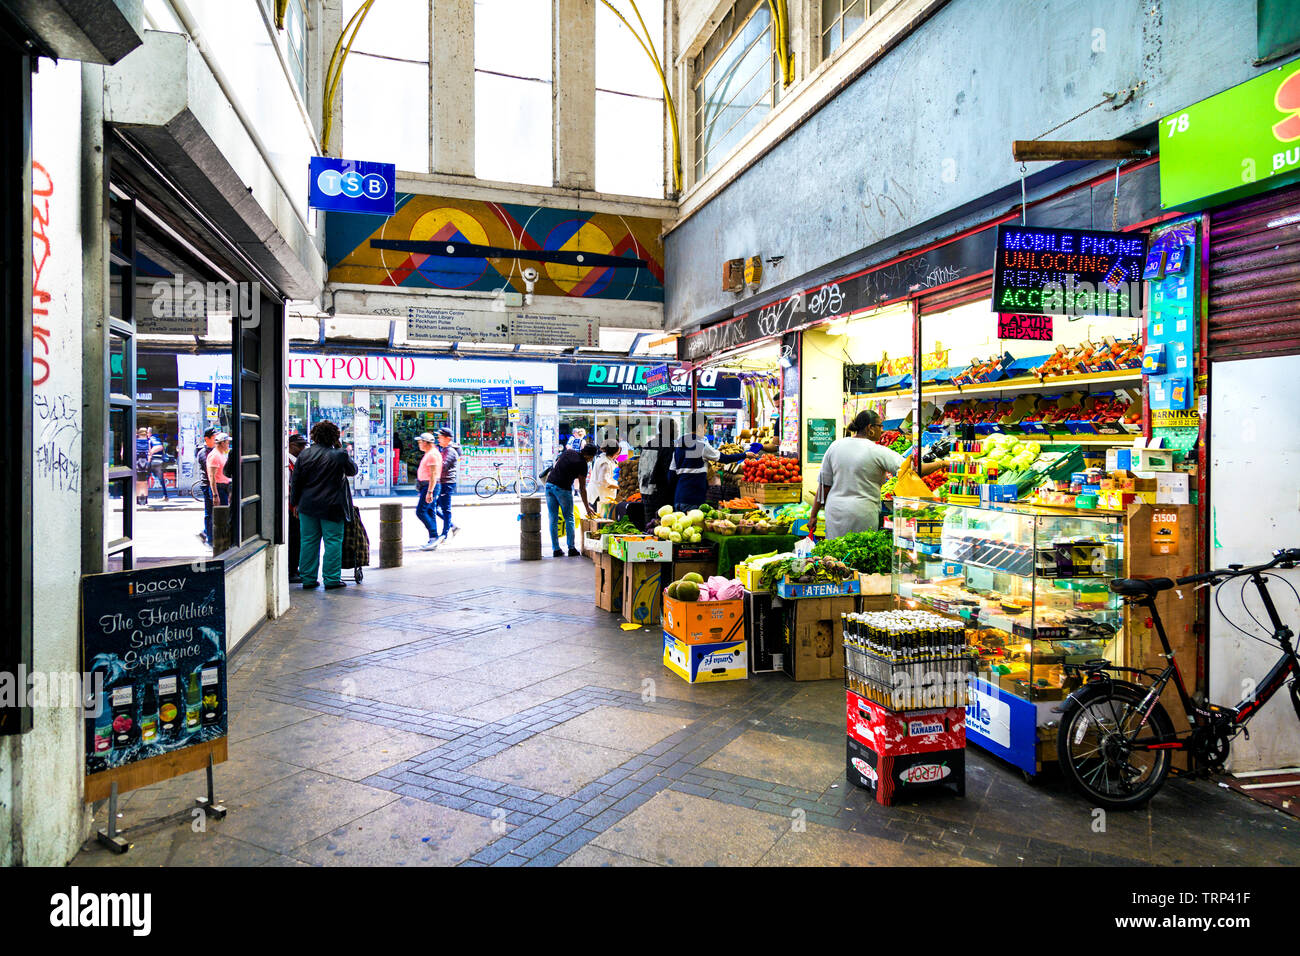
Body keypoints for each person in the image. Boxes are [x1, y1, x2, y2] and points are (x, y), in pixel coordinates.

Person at [807, 409, 949, 538]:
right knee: (860, 554)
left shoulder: (835, 446)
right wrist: (942, 463)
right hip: (861, 512)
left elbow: (824, 486)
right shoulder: (877, 451)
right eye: (880, 426)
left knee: (835, 556)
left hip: (835, 511)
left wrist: (813, 515)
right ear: (870, 428)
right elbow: (912, 471)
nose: (882, 430)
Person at [291, 420, 358, 590]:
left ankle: (308, 578)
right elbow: (353, 470)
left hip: (307, 506)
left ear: (314, 436)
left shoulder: (304, 455)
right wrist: (340, 448)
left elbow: (296, 482)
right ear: (335, 437)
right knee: (333, 541)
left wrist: (295, 504)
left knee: (308, 541)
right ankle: (331, 579)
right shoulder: (339, 455)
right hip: (332, 506)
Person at [669, 413, 752, 512]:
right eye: (705, 427)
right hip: (694, 499)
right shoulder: (701, 445)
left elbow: (671, 474)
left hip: (679, 498)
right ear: (699, 427)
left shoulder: (678, 445)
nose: (705, 430)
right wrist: (745, 455)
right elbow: (724, 458)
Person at [545, 442, 597, 557]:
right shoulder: (583, 464)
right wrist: (587, 507)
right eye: (592, 458)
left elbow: (556, 465)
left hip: (549, 485)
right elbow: (582, 488)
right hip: (562, 488)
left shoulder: (569, 452)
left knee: (553, 518)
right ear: (590, 456)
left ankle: (556, 549)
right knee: (569, 517)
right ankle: (571, 548)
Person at [638, 419, 676, 531]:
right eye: (676, 429)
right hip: (660, 495)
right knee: (660, 529)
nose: (677, 432)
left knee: (649, 527)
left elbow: (640, 470)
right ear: (670, 430)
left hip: (645, 493)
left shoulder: (648, 444)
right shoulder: (668, 446)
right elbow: (669, 472)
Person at [413, 431, 443, 551]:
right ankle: (433, 538)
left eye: (420, 442)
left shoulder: (432, 454)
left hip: (430, 486)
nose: (419, 444)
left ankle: (434, 536)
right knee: (429, 511)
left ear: (426, 442)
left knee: (421, 511)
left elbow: (433, 474)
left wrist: (430, 491)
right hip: (426, 486)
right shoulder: (429, 453)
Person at [287, 433, 307, 583]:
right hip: (291, 507)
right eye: (300, 445)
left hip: (295, 506)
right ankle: (291, 570)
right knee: (294, 539)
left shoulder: (296, 461)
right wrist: (295, 504)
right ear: (291, 446)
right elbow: (291, 486)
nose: (303, 448)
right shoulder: (288, 462)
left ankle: (294, 568)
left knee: (298, 539)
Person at [435, 426, 460, 543]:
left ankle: (445, 534)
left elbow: (443, 466)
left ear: (448, 438)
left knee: (445, 509)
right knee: (434, 508)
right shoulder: (444, 450)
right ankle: (452, 526)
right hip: (442, 482)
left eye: (440, 437)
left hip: (447, 483)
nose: (438, 439)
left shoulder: (450, 451)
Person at [195, 426, 216, 545]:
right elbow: (210, 473)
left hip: (214, 484)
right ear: (206, 439)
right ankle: (209, 539)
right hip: (207, 484)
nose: (216, 439)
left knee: (215, 512)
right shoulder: (203, 453)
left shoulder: (215, 450)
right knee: (209, 512)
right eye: (214, 438)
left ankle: (205, 533)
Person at [590, 442, 620, 511]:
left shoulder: (603, 457)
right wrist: (619, 487)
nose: (618, 454)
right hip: (599, 496)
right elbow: (604, 481)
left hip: (599, 494)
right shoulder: (605, 463)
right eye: (617, 452)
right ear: (614, 452)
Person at [207, 433, 232, 508]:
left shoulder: (222, 454)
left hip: (224, 487)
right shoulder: (214, 455)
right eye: (227, 443)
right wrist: (215, 494)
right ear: (222, 443)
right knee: (221, 514)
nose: (228, 445)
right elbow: (212, 476)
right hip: (219, 488)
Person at [148, 429, 170, 501]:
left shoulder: (151, 439)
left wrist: (149, 454)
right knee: (161, 479)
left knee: (145, 478)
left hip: (153, 461)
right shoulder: (155, 439)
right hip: (157, 461)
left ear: (150, 433)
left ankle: (142, 497)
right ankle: (165, 496)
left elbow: (156, 448)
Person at [134, 427, 151, 505]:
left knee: (138, 483)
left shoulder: (135, 442)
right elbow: (150, 453)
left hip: (137, 463)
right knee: (145, 483)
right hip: (145, 463)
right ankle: (145, 499)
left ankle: (138, 499)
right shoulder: (148, 441)